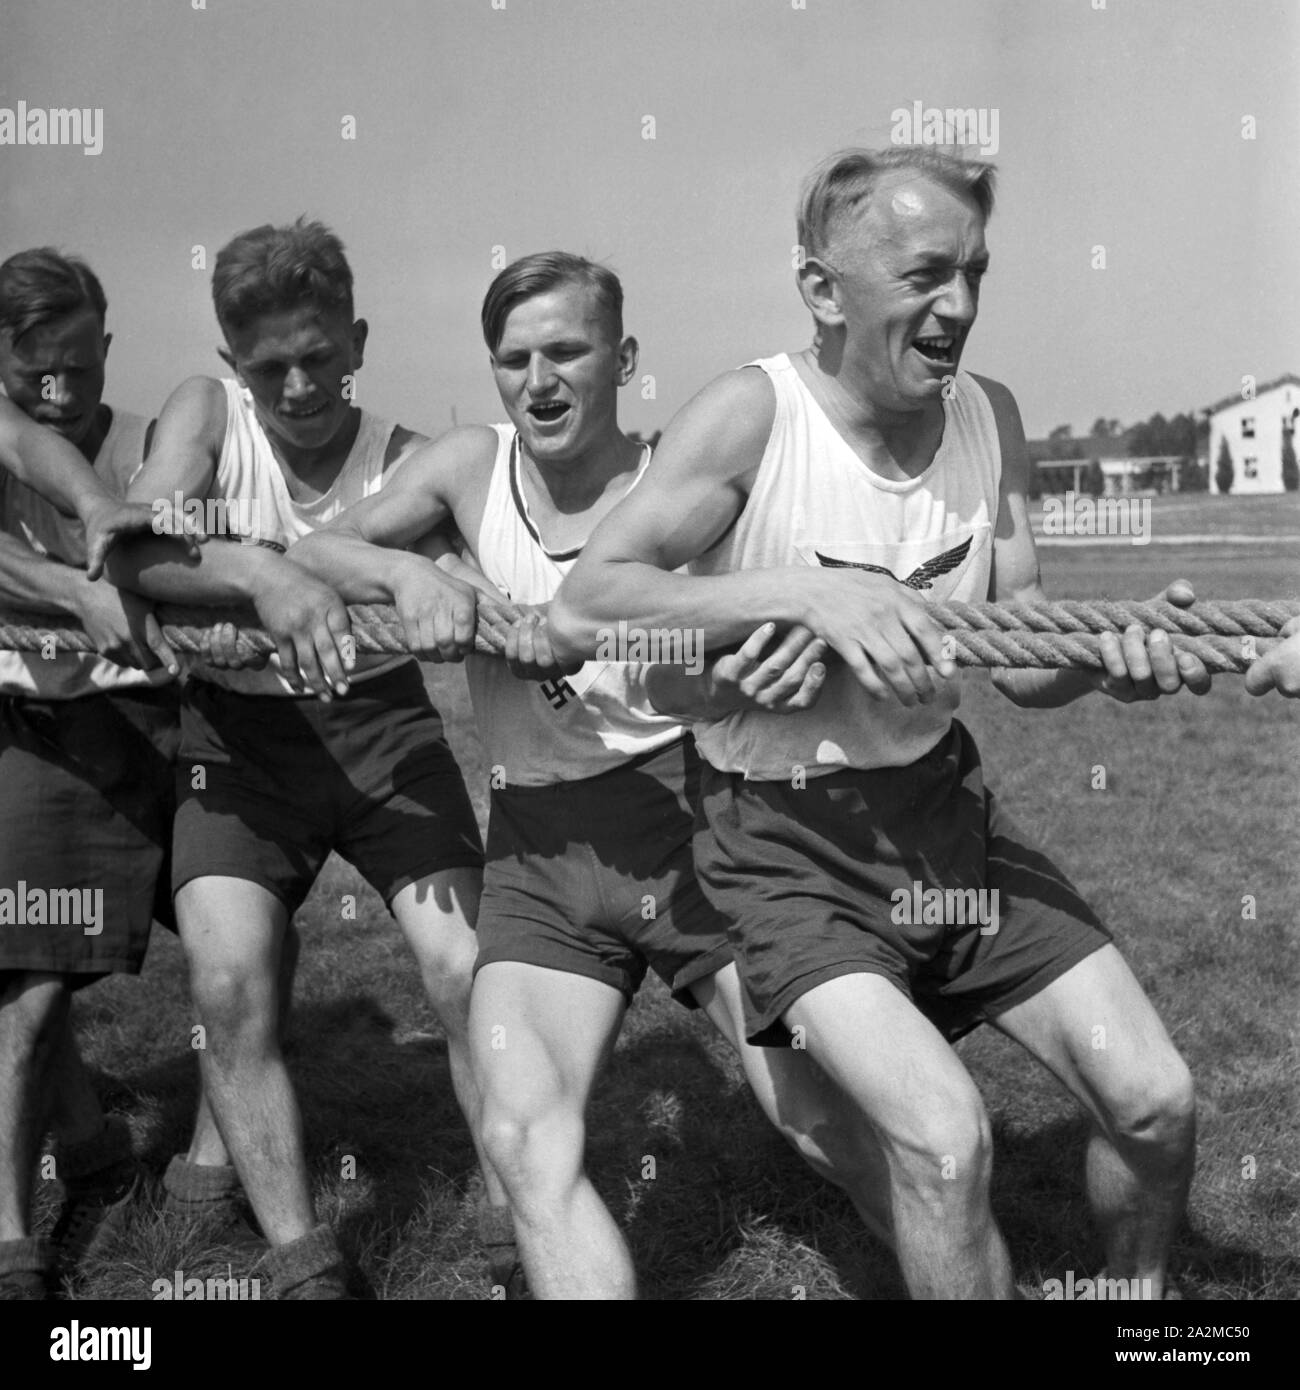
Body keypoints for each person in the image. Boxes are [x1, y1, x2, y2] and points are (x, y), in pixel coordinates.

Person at [549, 149, 1205, 1299]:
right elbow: (588, 598)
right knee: (946, 1142)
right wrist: (808, 591)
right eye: (923, 275)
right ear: (821, 289)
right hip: (782, 846)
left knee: (1156, 1101)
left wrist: (1111, 663)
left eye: (974, 272)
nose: (956, 306)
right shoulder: (752, 416)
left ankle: (1132, 1305)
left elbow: (1020, 645)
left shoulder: (987, 415)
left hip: (945, 820)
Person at [290, 251, 894, 1300]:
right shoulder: (466, 468)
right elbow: (315, 555)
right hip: (535, 847)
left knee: (821, 1120)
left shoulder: (678, 485)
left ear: (623, 357)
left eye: (566, 349)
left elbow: (727, 681)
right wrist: (410, 570)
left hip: (690, 821)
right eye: (514, 357)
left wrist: (622, 651)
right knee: (522, 1137)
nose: (540, 378)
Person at [99, 218, 504, 1299]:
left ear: (358, 340)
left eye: (319, 354)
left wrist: (437, 587)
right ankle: (300, 1260)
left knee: (469, 973)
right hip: (237, 740)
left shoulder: (410, 456)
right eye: (268, 361)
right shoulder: (203, 412)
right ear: (232, 360)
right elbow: (139, 549)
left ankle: (521, 1216)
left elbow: (471, 582)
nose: (297, 382)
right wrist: (275, 581)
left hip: (384, 735)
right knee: (227, 983)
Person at [0, 247, 185, 1298]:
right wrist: (77, 594)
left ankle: (131, 1153)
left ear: (109, 346)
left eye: (80, 365)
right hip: (25, 721)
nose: (64, 390)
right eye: (38, 374)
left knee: (232, 943)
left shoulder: (151, 447)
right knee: (23, 979)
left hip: (128, 724)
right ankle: (23, 1232)